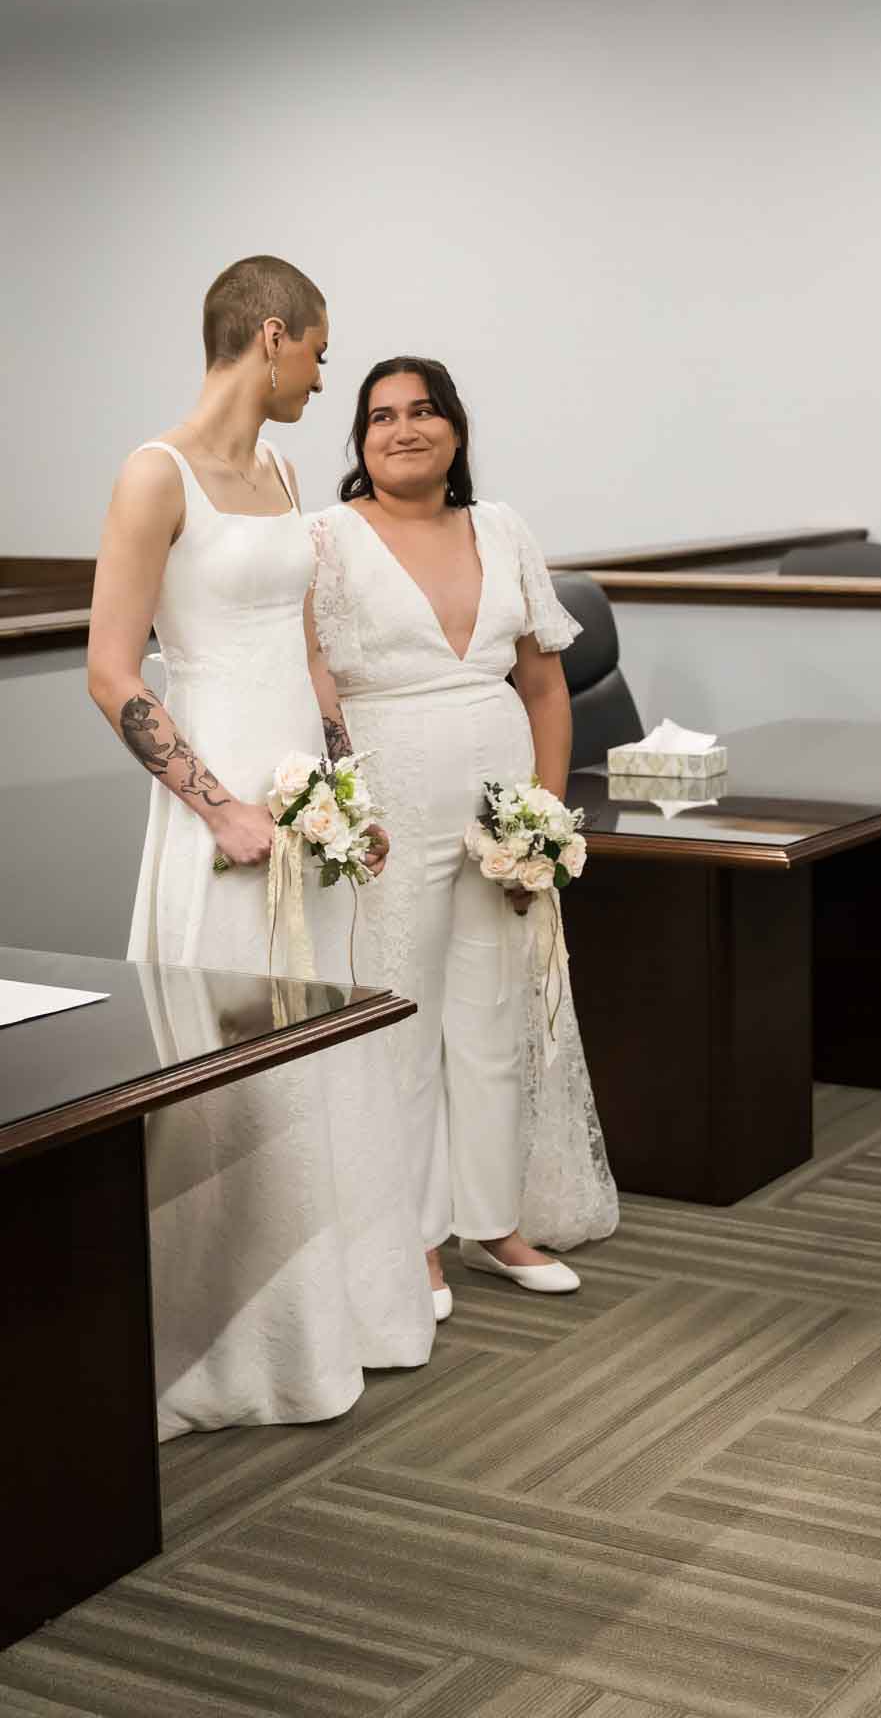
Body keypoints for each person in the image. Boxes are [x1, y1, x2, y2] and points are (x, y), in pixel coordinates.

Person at [87, 257, 434, 1438]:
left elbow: (308, 654)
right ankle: (225, 1347)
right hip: (222, 813)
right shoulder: (155, 472)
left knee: (321, 1046)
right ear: (273, 335)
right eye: (321, 350)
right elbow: (112, 670)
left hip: (307, 809)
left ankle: (331, 1318)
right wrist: (219, 805)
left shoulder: (284, 471)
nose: (326, 373)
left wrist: (347, 779)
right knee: (232, 1061)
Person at [307, 355, 618, 1319]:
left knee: (492, 1018)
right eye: (380, 416)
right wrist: (344, 805)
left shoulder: (502, 528)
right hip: (389, 804)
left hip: (498, 800)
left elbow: (543, 685)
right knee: (401, 1014)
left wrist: (543, 818)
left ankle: (494, 1221)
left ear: (455, 430)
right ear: (358, 440)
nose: (403, 429)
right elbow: (314, 680)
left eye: (424, 411)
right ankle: (415, 1235)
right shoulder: (325, 538)